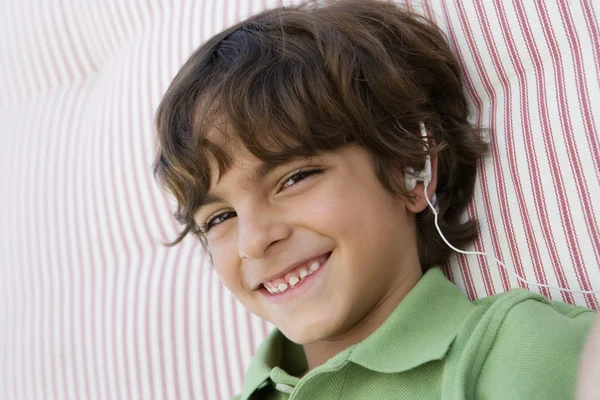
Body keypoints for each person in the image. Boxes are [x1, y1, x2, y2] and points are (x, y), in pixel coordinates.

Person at [153, 1, 595, 398]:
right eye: (219, 217)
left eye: (294, 178)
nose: (253, 241)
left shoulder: (513, 351)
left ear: (411, 169)